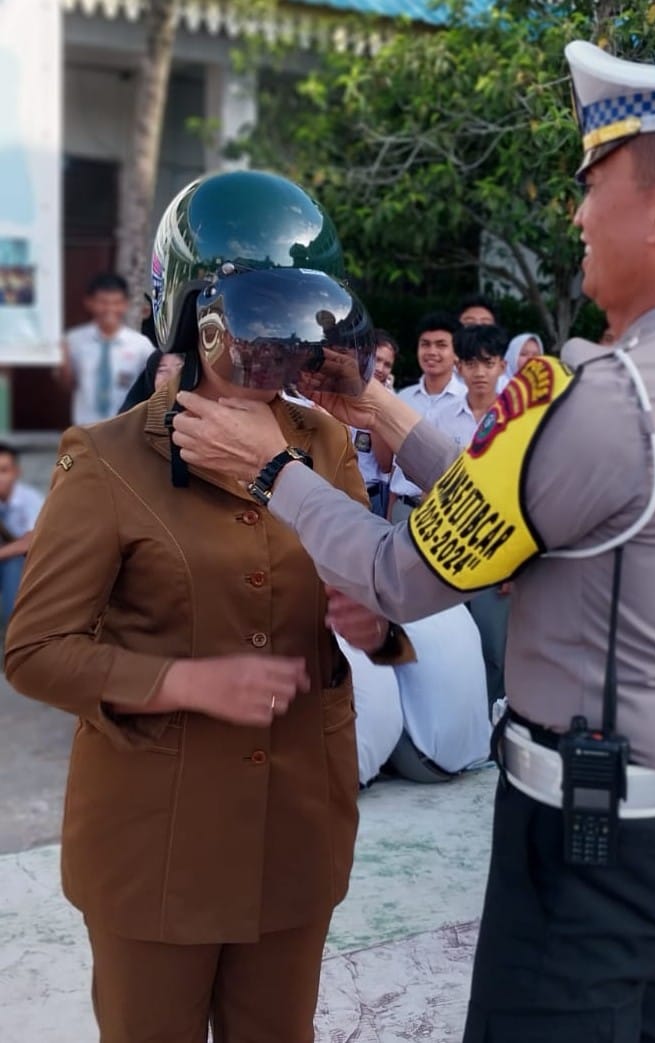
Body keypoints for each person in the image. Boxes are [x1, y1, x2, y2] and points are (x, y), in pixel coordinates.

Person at [170, 43, 655, 1043]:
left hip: (587, 830)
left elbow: (404, 576)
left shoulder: (615, 398)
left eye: (594, 181)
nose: (576, 213)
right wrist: (383, 413)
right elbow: (538, 513)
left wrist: (270, 471)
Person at [4, 169, 412, 1043]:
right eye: (254, 332)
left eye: (297, 330)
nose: (275, 362)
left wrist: (376, 628)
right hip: (157, 844)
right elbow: (34, 648)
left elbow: (373, 582)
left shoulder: (326, 441)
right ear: (195, 319)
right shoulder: (109, 459)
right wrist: (185, 683)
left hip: (297, 828)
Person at [435, 323, 512, 709]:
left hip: (497, 545)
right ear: (459, 368)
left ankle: (492, 725)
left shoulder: (517, 420)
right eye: (471, 363)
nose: (480, 372)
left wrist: (514, 562)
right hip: (447, 544)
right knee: (446, 645)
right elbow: (421, 483)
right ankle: (456, 724)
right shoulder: (442, 418)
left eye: (489, 363)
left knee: (495, 646)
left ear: (502, 366)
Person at [343, 603, 491, 786]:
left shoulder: (371, 605)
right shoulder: (445, 593)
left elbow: (379, 703)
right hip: (474, 751)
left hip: (422, 761)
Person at [388, 311, 465, 522]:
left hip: (449, 514)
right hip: (404, 510)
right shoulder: (402, 398)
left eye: (441, 345)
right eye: (425, 344)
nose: (432, 352)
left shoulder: (466, 401)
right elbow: (394, 466)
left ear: (456, 353)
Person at [59, 272, 154, 425]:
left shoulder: (141, 345)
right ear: (89, 302)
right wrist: (62, 361)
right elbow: (68, 384)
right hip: (86, 426)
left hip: (126, 426)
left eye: (116, 302)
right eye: (103, 302)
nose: (109, 308)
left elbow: (150, 387)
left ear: (125, 304)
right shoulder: (74, 340)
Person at [351, 330, 397, 516]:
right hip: (334, 493)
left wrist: (376, 417)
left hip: (370, 497)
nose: (380, 368)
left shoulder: (392, 403)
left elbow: (385, 464)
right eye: (377, 359)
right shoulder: (338, 392)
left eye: (387, 364)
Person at [0, 443, 44, 625]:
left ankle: (12, 629)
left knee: (13, 563)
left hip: (29, 566)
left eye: (3, 470)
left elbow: (31, 540)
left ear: (16, 472)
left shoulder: (30, 498)